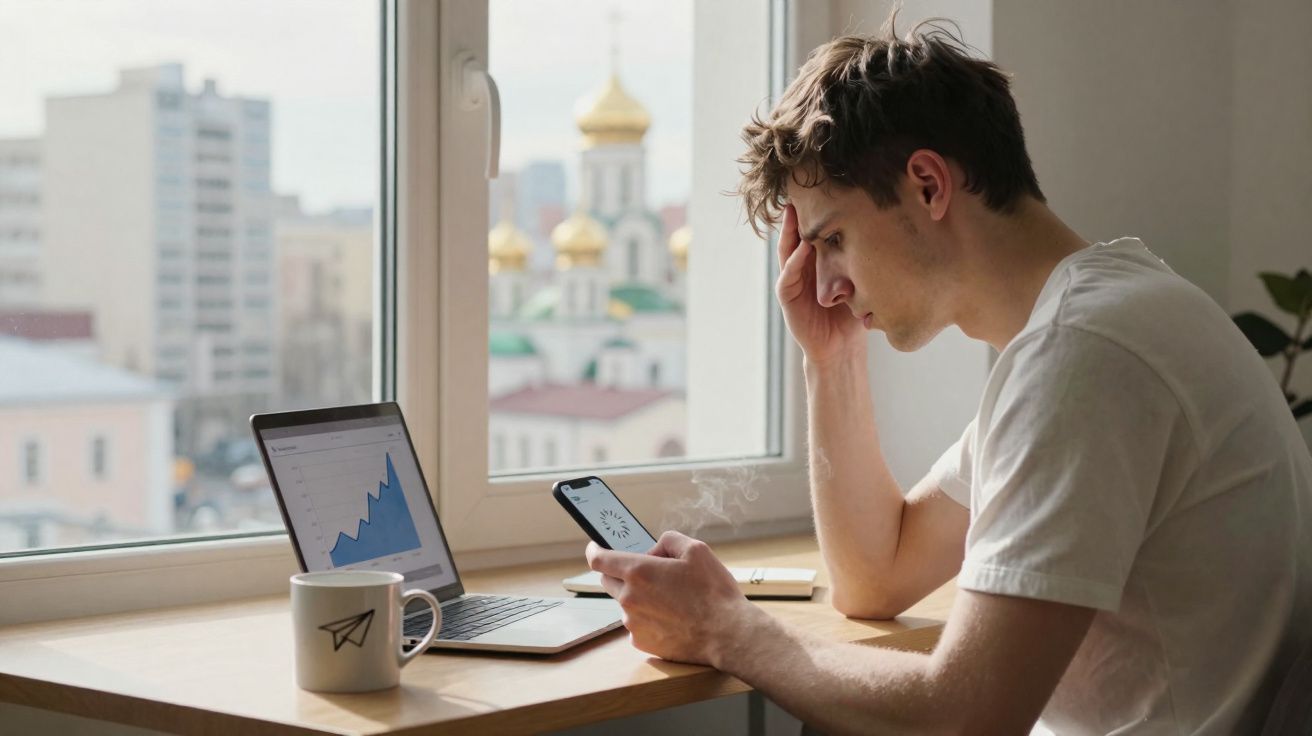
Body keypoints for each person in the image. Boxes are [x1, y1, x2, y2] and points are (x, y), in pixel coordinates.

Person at [585, 16, 1312, 735]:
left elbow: (964, 718)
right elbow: (877, 574)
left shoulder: (1086, 354)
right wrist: (832, 360)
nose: (826, 284)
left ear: (929, 185)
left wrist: (726, 631)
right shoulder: (1097, 320)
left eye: (832, 239)